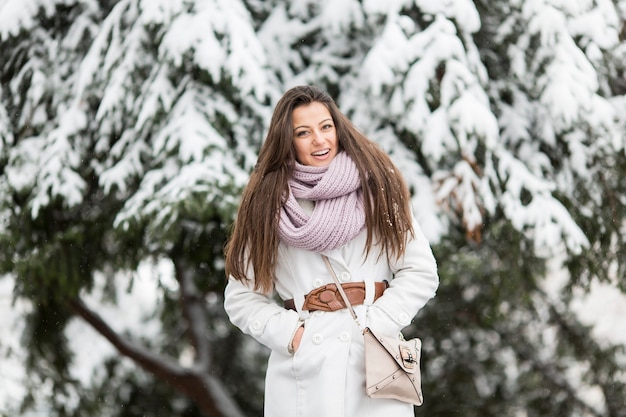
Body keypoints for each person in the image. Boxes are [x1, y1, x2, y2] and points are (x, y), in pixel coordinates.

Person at [224, 85, 439, 417]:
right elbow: (241, 297)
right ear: (287, 140)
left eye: (326, 127)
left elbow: (420, 271)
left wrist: (374, 325)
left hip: (375, 361)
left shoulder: (377, 189)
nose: (319, 140)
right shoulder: (267, 205)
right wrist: (294, 335)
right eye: (303, 132)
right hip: (304, 369)